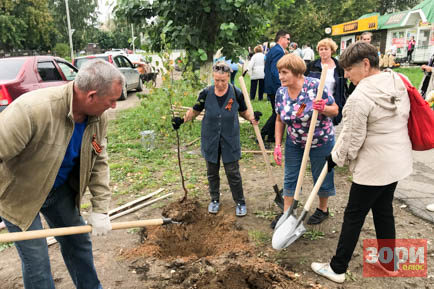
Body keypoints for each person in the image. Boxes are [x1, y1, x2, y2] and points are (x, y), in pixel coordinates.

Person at [0, 59, 124, 289]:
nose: (114, 106)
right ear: (91, 96)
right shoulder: (33, 110)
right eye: (112, 101)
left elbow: (99, 161)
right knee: (37, 259)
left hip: (58, 190)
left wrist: (101, 209)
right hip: (19, 196)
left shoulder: (98, 117)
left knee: (78, 242)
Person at [311, 41, 413, 283]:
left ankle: (337, 268)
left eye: (349, 69)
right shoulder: (398, 80)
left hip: (374, 167)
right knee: (383, 209)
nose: (346, 75)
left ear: (366, 65)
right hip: (397, 161)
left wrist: (335, 158)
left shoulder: (361, 95)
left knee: (354, 215)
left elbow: (352, 139)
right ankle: (389, 263)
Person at [171, 62, 261, 217]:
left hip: (230, 138)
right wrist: (182, 120)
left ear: (228, 77)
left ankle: (240, 202)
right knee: (212, 172)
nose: (219, 84)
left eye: (223, 80)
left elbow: (244, 112)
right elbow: (195, 110)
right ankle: (214, 199)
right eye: (216, 80)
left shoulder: (236, 92)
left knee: (233, 172)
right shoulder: (206, 93)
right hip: (210, 138)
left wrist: (253, 118)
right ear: (213, 77)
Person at [273, 54, 338, 227]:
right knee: (290, 177)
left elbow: (335, 110)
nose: (280, 76)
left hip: (320, 140)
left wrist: (323, 108)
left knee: (321, 175)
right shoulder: (281, 92)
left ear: (297, 72)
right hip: (294, 141)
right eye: (279, 72)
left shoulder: (315, 86)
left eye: (284, 72)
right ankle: (288, 214)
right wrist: (278, 145)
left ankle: (322, 209)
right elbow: (279, 120)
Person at [305, 38, 348, 126]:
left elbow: (343, 87)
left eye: (326, 49)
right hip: (313, 103)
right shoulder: (311, 66)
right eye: (321, 49)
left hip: (332, 104)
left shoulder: (340, 67)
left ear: (332, 50)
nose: (323, 51)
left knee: (329, 128)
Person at [262, 30, 291, 143]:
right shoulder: (279, 51)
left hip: (270, 85)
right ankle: (264, 133)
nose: (289, 41)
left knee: (276, 111)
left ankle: (271, 136)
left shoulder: (274, 49)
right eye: (287, 39)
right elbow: (275, 70)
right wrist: (282, 84)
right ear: (281, 39)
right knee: (278, 112)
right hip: (275, 86)